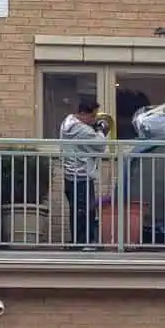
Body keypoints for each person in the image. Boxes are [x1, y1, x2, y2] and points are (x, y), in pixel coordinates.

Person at [59, 96, 108, 245]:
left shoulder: (67, 122)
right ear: (82, 113)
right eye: (92, 116)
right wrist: (101, 130)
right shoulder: (81, 129)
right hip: (80, 175)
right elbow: (100, 145)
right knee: (85, 211)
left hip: (71, 175)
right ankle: (83, 243)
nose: (94, 119)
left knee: (77, 210)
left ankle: (78, 242)